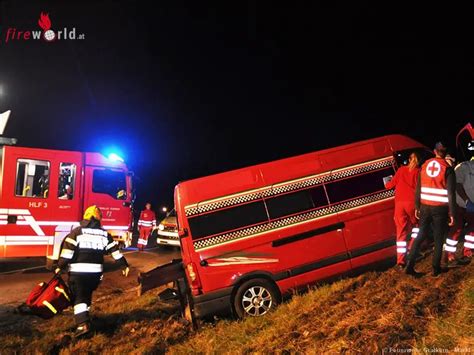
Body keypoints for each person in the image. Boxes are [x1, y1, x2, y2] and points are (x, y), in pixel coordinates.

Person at [56, 205, 129, 337]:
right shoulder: (104, 234)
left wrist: (60, 266)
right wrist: (123, 265)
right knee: (86, 295)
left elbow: (67, 253)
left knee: (79, 299)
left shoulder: (76, 232)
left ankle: (82, 325)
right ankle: (86, 319)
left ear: (85, 217)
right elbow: (115, 251)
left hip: (78, 274)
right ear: (99, 218)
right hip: (95, 275)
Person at [406, 142, 456, 277]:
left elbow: (418, 188)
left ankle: (409, 265)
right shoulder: (448, 168)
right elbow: (451, 193)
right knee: (439, 238)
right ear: (445, 152)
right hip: (439, 208)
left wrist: (417, 206)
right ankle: (435, 268)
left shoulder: (425, 165)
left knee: (420, 235)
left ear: (435, 151)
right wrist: (452, 213)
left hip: (425, 206)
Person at [384, 152, 420, 268]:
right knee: (419, 227)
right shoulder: (418, 172)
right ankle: (412, 248)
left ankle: (401, 261)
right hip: (412, 203)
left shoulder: (400, 170)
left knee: (401, 233)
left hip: (399, 205)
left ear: (409, 160)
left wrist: (386, 181)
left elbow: (389, 185)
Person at [445, 140, 474, 264]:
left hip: (471, 205)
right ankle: (448, 254)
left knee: (473, 228)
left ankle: (468, 251)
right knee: (457, 229)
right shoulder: (462, 167)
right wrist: (467, 201)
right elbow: (457, 185)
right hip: (460, 205)